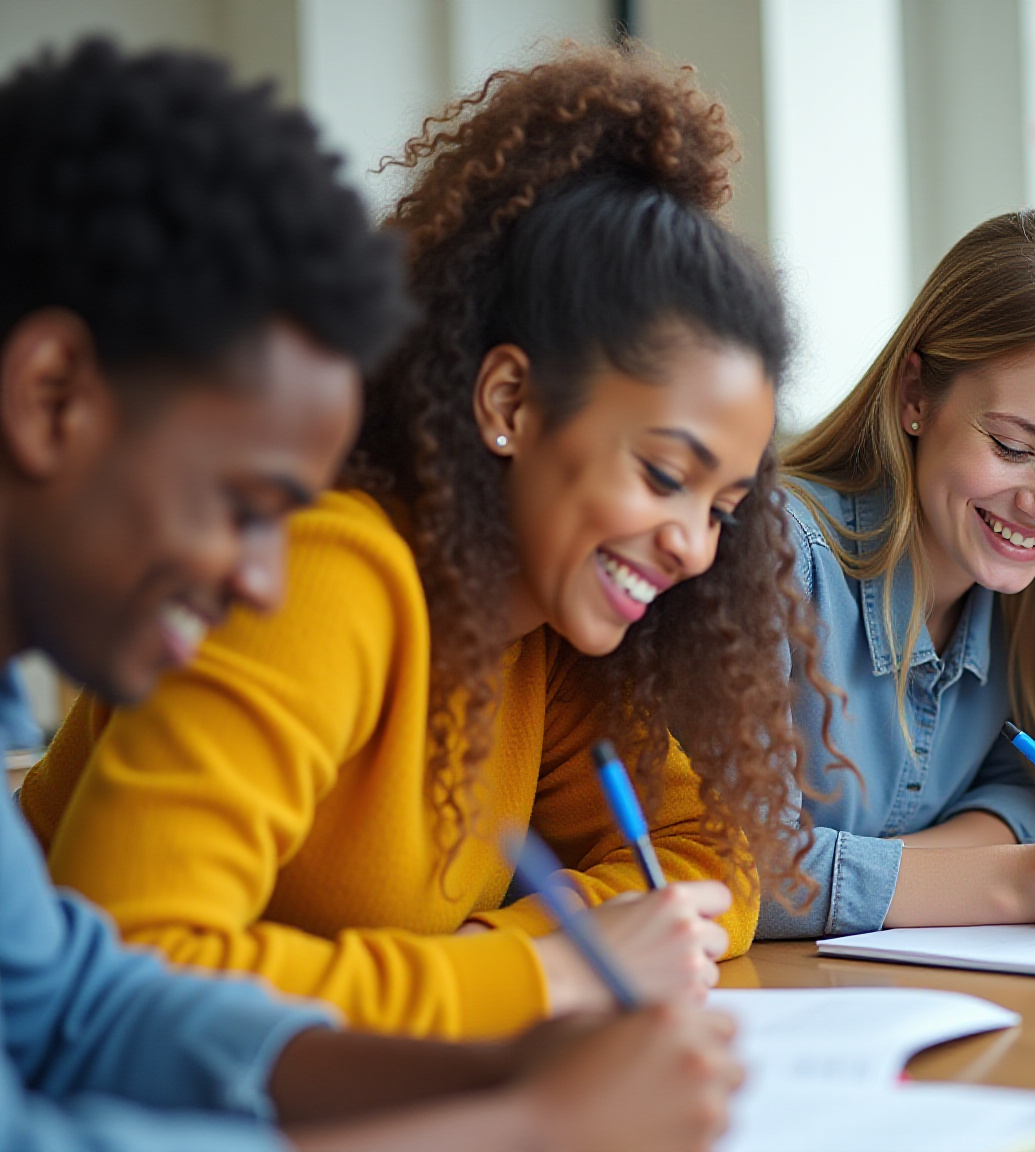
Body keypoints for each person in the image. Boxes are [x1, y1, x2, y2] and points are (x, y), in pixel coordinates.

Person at [0, 38, 739, 1151]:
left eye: (723, 504)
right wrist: (522, 1097)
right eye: (244, 502)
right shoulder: (334, 575)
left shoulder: (543, 638)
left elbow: (81, 1008)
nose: (260, 574)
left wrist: (502, 1049)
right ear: (51, 398)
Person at [762, 209, 1035, 938]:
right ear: (915, 397)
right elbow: (736, 871)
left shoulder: (1026, 586)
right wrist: (1013, 879)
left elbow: (1030, 795)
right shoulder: (776, 556)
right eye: (1012, 445)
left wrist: (891, 874)